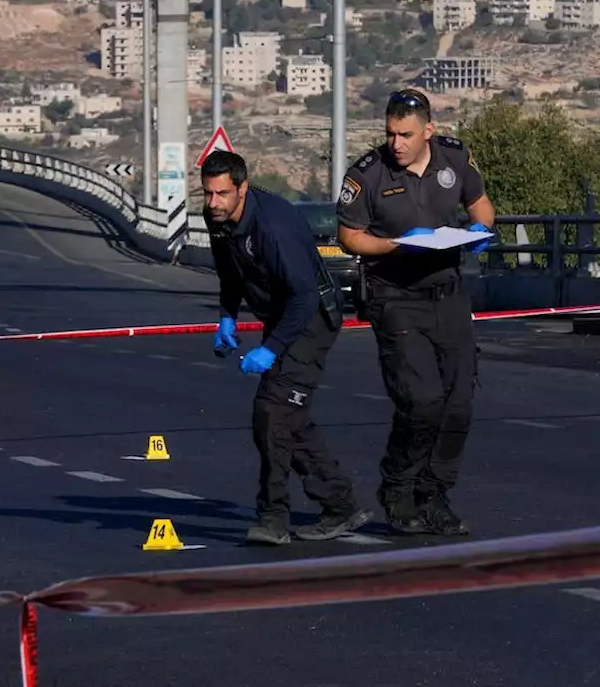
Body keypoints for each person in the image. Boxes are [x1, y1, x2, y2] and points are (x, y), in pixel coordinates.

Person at [335, 88, 495, 536]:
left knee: (458, 404)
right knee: (421, 401)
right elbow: (350, 237)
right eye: (390, 134)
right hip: (395, 296)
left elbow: (482, 206)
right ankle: (399, 488)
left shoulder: (454, 158)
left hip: (448, 293)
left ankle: (434, 495)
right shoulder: (367, 174)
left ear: (429, 130)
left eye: (406, 134)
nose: (396, 143)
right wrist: (396, 245)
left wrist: (481, 229)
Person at [201, 149, 372, 545]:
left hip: (311, 320)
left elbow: (304, 297)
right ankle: (340, 504)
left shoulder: (273, 227)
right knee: (288, 418)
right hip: (282, 318)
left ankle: (273, 518)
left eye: (222, 194)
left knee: (272, 413)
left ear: (242, 188)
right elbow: (230, 273)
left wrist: (271, 349)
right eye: (208, 194)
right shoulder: (220, 220)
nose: (214, 203)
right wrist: (227, 314)